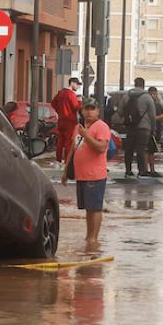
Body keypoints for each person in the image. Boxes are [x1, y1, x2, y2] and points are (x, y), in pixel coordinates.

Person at [69, 98, 111, 247]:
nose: (89, 112)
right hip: (82, 175)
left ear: (98, 111)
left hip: (95, 175)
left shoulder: (101, 127)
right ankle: (89, 236)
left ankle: (94, 238)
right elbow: (73, 149)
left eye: (92, 109)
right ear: (82, 111)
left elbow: (101, 148)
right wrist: (66, 170)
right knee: (88, 208)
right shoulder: (78, 127)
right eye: (86, 109)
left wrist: (86, 135)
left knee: (95, 207)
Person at [123, 77, 157, 178]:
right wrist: (153, 129)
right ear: (143, 85)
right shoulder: (147, 98)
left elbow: (120, 111)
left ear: (134, 84)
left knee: (128, 149)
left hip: (130, 127)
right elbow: (152, 116)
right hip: (144, 127)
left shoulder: (126, 96)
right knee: (141, 149)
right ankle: (142, 171)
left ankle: (128, 170)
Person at [51, 77, 82, 184]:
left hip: (61, 120)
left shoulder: (61, 93)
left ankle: (58, 160)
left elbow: (53, 103)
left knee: (60, 140)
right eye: (77, 84)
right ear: (72, 83)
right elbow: (75, 107)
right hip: (70, 120)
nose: (78, 87)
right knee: (69, 141)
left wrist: (59, 111)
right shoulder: (71, 94)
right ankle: (67, 162)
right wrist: (80, 102)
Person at [144, 87, 163, 178]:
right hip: (149, 129)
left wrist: (162, 118)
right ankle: (146, 169)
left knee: (151, 151)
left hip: (156, 129)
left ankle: (152, 169)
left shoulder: (158, 105)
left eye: (155, 94)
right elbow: (150, 118)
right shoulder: (148, 105)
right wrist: (159, 117)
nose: (155, 96)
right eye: (153, 94)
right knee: (147, 150)